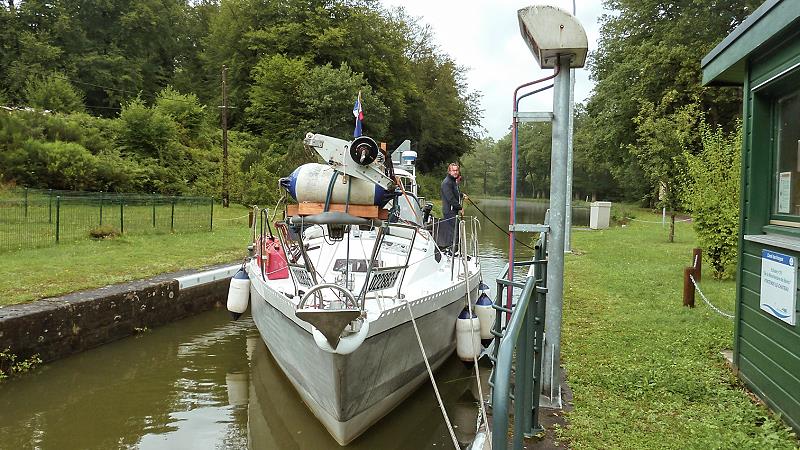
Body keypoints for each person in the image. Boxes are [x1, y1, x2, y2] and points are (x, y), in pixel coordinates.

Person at [439, 162, 468, 251]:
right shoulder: (447, 182)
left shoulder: (453, 181)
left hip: (452, 211)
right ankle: (452, 251)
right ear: (449, 171)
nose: (455, 172)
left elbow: (455, 193)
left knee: (455, 229)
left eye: (457, 170)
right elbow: (450, 198)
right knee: (454, 231)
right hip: (449, 211)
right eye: (453, 170)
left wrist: (462, 195)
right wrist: (460, 207)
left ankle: (453, 250)